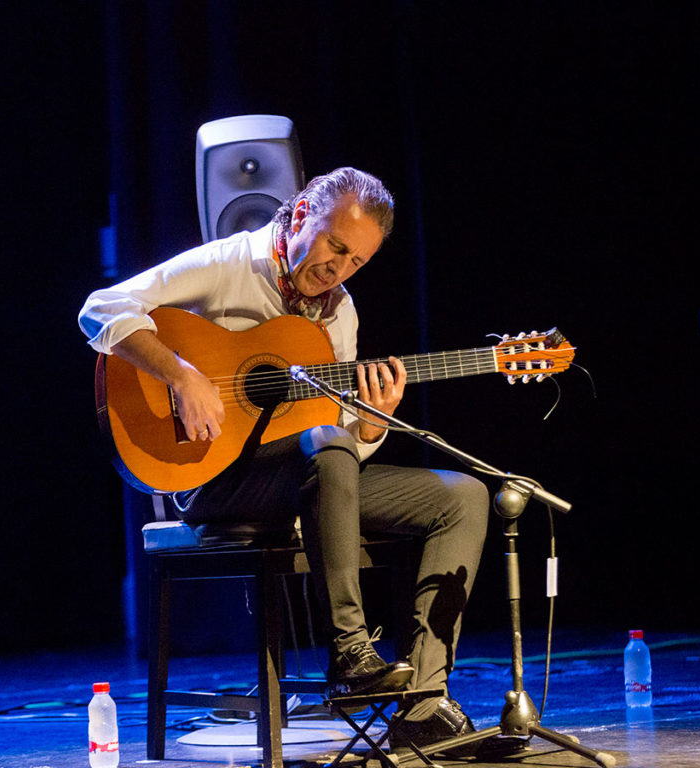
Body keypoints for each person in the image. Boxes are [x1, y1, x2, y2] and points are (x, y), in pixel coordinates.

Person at [78, 167, 489, 750]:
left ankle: (422, 702)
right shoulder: (229, 264)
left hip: (303, 479)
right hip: (213, 481)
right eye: (335, 246)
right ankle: (350, 653)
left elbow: (337, 438)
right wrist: (182, 375)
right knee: (329, 446)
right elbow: (99, 308)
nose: (339, 269)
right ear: (299, 216)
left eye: (356, 262)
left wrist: (372, 423)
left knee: (463, 496)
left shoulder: (340, 312)